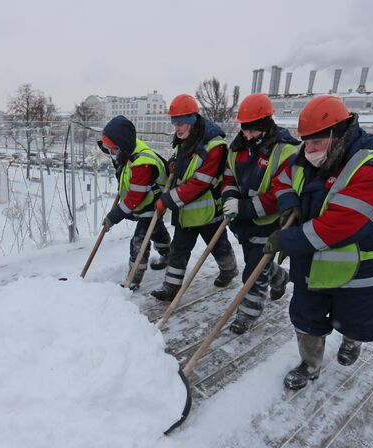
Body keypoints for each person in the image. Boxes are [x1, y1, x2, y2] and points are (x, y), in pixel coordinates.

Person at [264, 95, 373, 390]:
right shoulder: (308, 156)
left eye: (316, 143)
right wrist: (289, 204)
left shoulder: (370, 169)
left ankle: (351, 339)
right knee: (305, 316)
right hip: (312, 264)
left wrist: (288, 239)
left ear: (338, 134)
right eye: (305, 142)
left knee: (354, 319)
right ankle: (310, 364)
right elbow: (284, 179)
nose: (308, 150)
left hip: (359, 267)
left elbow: (337, 227)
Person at [221, 93, 299, 334]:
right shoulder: (237, 149)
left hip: (270, 224)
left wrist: (242, 208)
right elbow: (228, 177)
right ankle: (278, 277)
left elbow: (279, 195)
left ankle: (248, 313)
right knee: (257, 264)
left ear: (266, 124)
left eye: (253, 130)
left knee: (253, 272)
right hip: (244, 223)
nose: (247, 135)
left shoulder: (286, 152)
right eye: (244, 129)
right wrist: (230, 198)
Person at [151, 94, 238, 301]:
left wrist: (168, 200)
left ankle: (229, 270)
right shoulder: (185, 140)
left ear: (192, 120)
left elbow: (200, 182)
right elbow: (185, 165)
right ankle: (171, 287)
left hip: (208, 211)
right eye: (174, 123)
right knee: (179, 248)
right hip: (186, 210)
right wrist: (173, 163)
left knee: (218, 245)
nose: (177, 128)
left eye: (180, 123)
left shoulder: (214, 146)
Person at [99, 115, 171, 290]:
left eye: (113, 149)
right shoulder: (126, 149)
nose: (111, 154)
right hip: (142, 201)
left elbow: (134, 199)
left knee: (139, 241)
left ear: (122, 145)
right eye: (107, 149)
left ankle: (133, 279)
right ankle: (168, 253)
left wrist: (114, 216)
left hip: (152, 203)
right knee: (156, 231)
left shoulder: (142, 164)